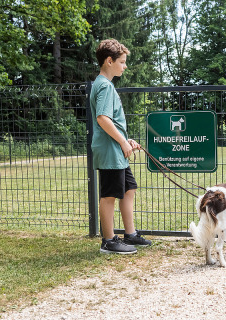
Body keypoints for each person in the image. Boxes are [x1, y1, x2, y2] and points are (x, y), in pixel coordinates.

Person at [90, 39, 152, 254]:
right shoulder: (105, 86)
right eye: (122, 62)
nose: (125, 66)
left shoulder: (104, 85)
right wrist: (122, 141)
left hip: (116, 149)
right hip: (110, 151)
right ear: (109, 61)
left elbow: (111, 121)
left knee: (128, 189)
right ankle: (108, 241)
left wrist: (127, 140)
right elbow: (103, 118)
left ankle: (130, 234)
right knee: (109, 195)